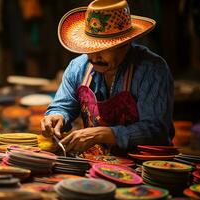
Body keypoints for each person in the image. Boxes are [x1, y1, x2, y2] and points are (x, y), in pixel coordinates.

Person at [41, 0, 174, 154]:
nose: (94, 56)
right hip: (97, 166)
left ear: (125, 43)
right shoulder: (78, 67)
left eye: (104, 48)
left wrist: (104, 134)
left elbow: (156, 130)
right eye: (90, 47)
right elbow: (62, 106)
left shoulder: (151, 69)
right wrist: (57, 116)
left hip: (146, 167)